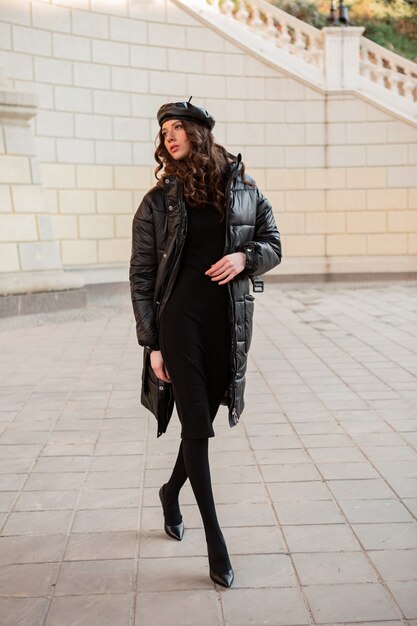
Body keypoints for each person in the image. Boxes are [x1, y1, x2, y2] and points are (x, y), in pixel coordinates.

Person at [130, 99, 281, 588]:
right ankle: (217, 543)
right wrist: (151, 345)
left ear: (200, 133)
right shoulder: (157, 201)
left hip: (226, 322)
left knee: (199, 425)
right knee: (195, 422)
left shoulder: (243, 189)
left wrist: (244, 257)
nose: (169, 136)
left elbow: (273, 243)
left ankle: (170, 493)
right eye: (164, 130)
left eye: (178, 127)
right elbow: (142, 274)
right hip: (178, 324)